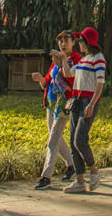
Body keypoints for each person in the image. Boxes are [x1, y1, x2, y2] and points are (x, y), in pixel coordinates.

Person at [53, 25, 106, 194]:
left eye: (81, 41)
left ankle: (94, 171)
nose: (79, 44)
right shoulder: (83, 60)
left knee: (80, 139)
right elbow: (69, 74)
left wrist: (91, 104)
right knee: (73, 141)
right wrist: (62, 60)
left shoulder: (98, 59)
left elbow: (100, 84)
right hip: (76, 100)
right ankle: (79, 180)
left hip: (88, 101)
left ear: (88, 42)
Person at [31, 30, 81, 190]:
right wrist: (40, 79)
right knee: (56, 138)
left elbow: (71, 78)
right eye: (60, 41)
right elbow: (48, 81)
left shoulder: (77, 60)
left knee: (53, 140)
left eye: (66, 41)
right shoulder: (55, 61)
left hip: (64, 105)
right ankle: (71, 165)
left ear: (74, 42)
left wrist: (64, 60)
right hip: (51, 103)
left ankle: (46, 176)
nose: (63, 44)